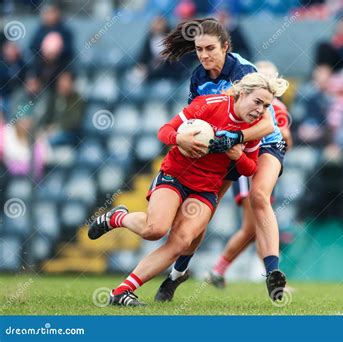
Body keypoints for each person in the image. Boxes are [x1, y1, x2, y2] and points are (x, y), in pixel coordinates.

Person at [87, 72, 289, 306]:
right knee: (155, 229)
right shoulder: (208, 105)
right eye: (257, 102)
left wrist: (237, 155)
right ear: (242, 93)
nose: (260, 110)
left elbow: (249, 168)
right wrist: (179, 139)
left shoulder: (254, 128)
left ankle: (122, 292)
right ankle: (117, 217)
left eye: (265, 106)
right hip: (175, 176)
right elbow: (164, 131)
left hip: (206, 190)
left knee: (182, 242)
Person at [154, 18, 288, 302]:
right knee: (202, 212)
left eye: (210, 49)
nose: (203, 55)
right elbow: (194, 119)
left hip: (263, 141)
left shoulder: (243, 71)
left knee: (260, 196)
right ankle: (177, 275)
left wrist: (236, 140)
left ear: (225, 47)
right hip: (224, 149)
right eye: (199, 49)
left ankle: (273, 273)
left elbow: (266, 124)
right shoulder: (198, 77)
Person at [206, 60, 293, 288]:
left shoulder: (275, 109)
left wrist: (280, 135)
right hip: (247, 160)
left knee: (254, 224)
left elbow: (285, 141)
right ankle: (268, 271)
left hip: (263, 160)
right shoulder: (242, 102)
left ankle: (230, 271)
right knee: (253, 224)